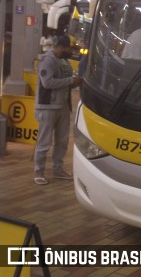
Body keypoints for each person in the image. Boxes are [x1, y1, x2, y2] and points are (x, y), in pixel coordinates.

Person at [34, 34, 82, 185]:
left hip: (63, 106)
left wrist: (76, 82)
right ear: (61, 47)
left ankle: (58, 169)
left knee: (62, 141)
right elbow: (47, 83)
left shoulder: (65, 61)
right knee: (44, 141)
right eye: (69, 48)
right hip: (48, 107)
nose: (71, 51)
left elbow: (66, 84)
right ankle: (39, 171)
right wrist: (70, 80)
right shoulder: (47, 61)